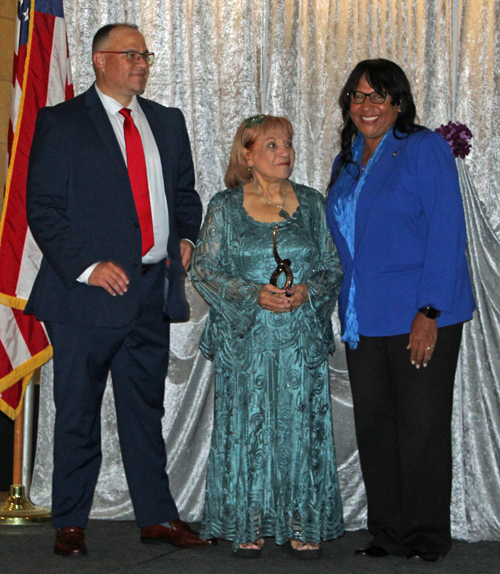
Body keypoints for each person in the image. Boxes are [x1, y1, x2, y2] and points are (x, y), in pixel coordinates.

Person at [25, 23, 215, 556]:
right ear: (99, 60)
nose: (142, 62)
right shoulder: (60, 123)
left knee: (144, 413)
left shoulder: (167, 122)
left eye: (145, 54)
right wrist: (88, 266)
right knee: (79, 412)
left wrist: (184, 236)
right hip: (84, 298)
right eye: (131, 54)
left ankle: (157, 517)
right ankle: (70, 522)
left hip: (151, 293)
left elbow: (184, 194)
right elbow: (42, 208)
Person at [326, 59, 476, 562]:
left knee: (421, 428)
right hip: (365, 317)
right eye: (358, 96)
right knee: (376, 428)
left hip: (421, 313)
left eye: (378, 96)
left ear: (398, 103)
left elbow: (446, 232)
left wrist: (428, 310)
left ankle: (425, 537)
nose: (367, 106)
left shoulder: (424, 149)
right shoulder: (346, 160)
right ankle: (386, 534)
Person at [191, 114, 345, 559]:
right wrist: (252, 293)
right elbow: (203, 268)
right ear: (248, 155)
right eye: (273, 145)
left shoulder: (313, 204)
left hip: (298, 338)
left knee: (299, 428)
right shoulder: (224, 205)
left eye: (289, 144)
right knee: (248, 427)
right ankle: (248, 522)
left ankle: (301, 522)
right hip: (246, 340)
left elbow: (331, 268)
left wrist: (306, 291)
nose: (285, 153)